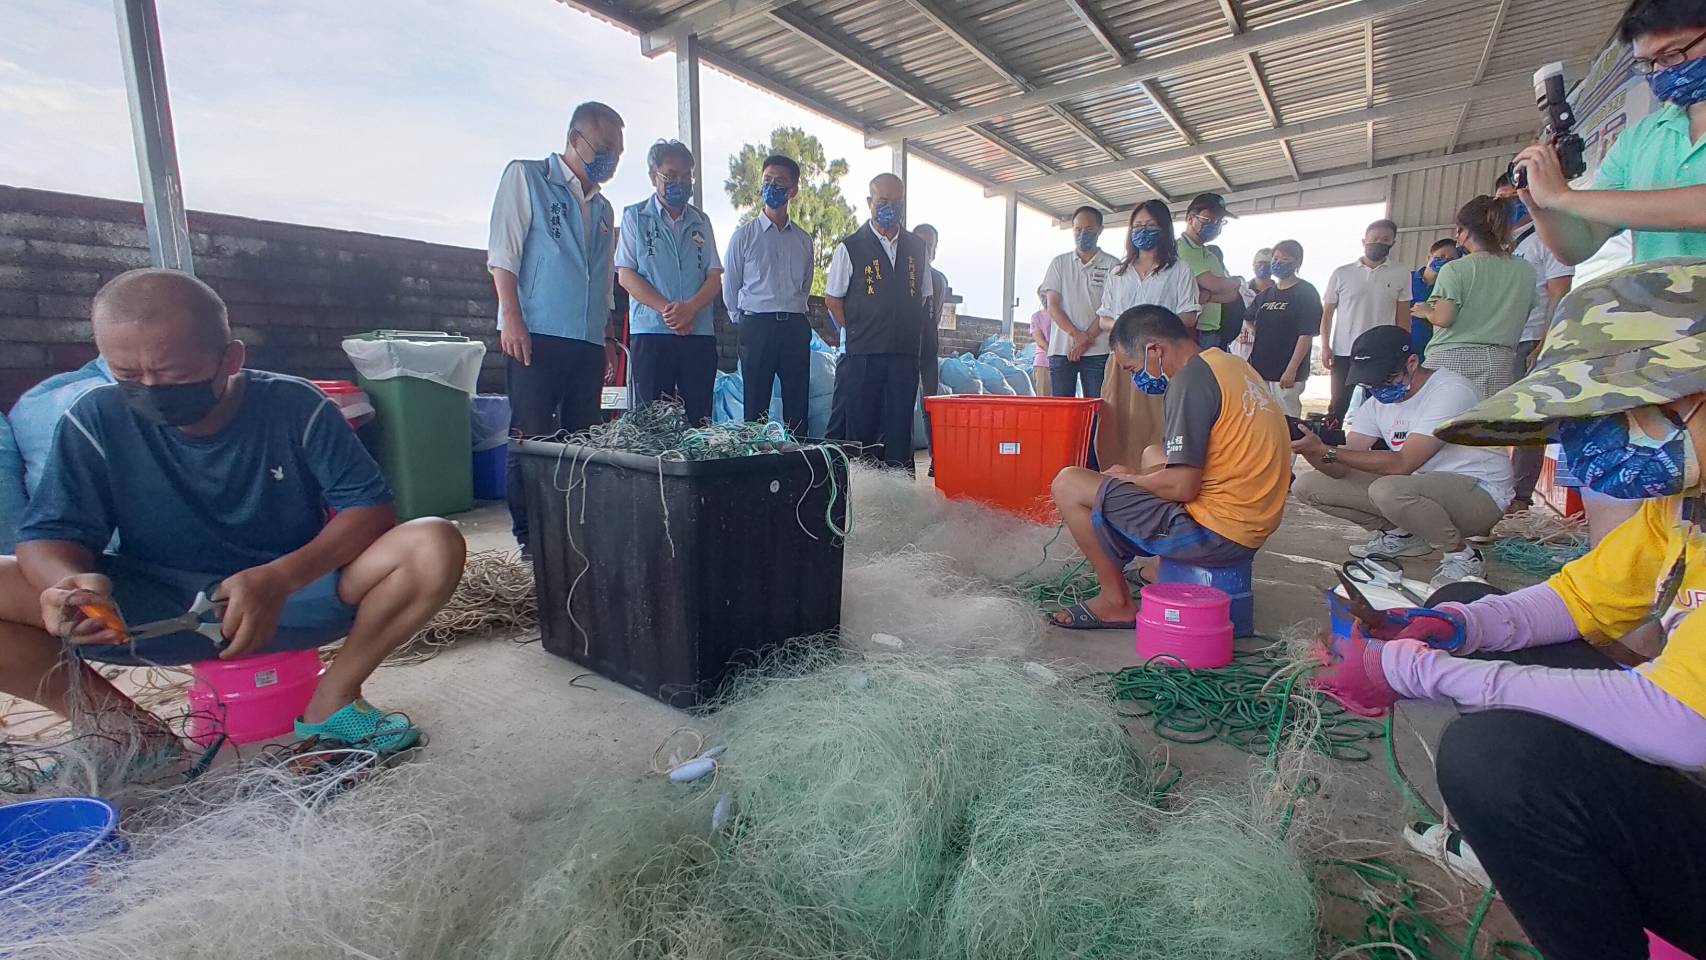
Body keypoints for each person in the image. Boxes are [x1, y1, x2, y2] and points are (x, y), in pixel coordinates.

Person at [1308, 259, 1706, 960]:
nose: (1604, 436)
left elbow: (1685, 723)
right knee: (1466, 600)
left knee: (1497, 762)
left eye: (1637, 411)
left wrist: (1435, 673)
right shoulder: (1683, 510)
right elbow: (1579, 598)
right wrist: (1456, 627)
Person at [0, 270, 465, 759]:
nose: (151, 389)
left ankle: (333, 701)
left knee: (433, 541)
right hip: (155, 607)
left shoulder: (294, 405)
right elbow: (48, 533)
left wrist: (280, 578)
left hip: (291, 596)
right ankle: (128, 736)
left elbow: (370, 508)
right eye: (128, 376)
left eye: (173, 374)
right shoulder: (95, 417)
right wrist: (68, 585)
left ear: (231, 358)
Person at [1047, 305, 1290, 629]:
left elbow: (1182, 486)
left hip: (1219, 535)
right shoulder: (1229, 364)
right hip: (1251, 522)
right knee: (1152, 454)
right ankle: (1161, 569)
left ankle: (1115, 602)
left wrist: (1124, 481)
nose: (1135, 379)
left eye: (1132, 369)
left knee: (1069, 483)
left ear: (1154, 350)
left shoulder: (1189, 381)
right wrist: (1137, 475)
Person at [487, 100, 624, 555]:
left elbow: (604, 278)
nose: (611, 160)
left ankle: (572, 532)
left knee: (582, 436)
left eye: (618, 153)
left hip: (585, 339)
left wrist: (606, 336)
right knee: (531, 435)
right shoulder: (527, 179)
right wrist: (512, 317)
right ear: (574, 139)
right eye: (604, 148)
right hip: (535, 334)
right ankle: (531, 538)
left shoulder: (604, 210)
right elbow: (504, 255)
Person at [1292, 326, 1514, 588]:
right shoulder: (1375, 404)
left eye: (1387, 379)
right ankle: (1403, 535)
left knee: (1389, 490)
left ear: (1412, 363)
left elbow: (1403, 463)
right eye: (1370, 383)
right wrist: (1312, 450)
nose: (1379, 388)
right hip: (1419, 488)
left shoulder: (1450, 391)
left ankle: (1463, 556)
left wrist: (1328, 451)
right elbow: (1342, 467)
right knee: (1307, 485)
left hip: (1480, 494)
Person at [1512, 0, 1706, 267]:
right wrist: (1542, 206)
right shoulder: (1638, 139)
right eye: (1647, 63)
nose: (1659, 71)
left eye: (1670, 55)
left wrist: (1564, 197)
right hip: (1663, 306)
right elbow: (1580, 245)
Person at [824, 173, 933, 470]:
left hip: (903, 354)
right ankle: (863, 494)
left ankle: (899, 498)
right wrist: (859, 329)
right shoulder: (851, 247)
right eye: (882, 201)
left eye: (896, 202)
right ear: (870, 202)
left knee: (900, 429)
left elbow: (922, 297)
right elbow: (833, 299)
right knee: (862, 428)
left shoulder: (917, 249)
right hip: (864, 355)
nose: (889, 207)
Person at [616, 140, 723, 425]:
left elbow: (714, 277)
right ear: (654, 177)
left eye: (686, 176)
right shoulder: (635, 217)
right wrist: (670, 311)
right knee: (652, 420)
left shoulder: (702, 222)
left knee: (700, 419)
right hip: (652, 333)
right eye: (671, 175)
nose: (680, 182)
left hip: (698, 334)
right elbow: (626, 275)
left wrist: (690, 309)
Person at [1093, 200, 1200, 471]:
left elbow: (1189, 315)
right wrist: (1127, 326)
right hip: (1122, 360)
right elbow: (1103, 316)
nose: (1143, 231)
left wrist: (1152, 328)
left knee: (1157, 422)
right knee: (1116, 421)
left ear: (1164, 229)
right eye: (1138, 226)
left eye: (1151, 226)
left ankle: (1155, 477)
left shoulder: (1179, 270)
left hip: (1159, 362)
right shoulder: (1118, 271)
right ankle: (1116, 477)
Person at [1410, 196, 1536, 400]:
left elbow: (1444, 318)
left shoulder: (1455, 269)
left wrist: (1427, 311)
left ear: (1465, 231)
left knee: (1440, 427)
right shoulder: (1525, 270)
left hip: (1453, 359)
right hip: (1501, 362)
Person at [724, 153, 813, 435]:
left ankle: (799, 465)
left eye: (780, 182)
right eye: (768, 181)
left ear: (793, 190)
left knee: (797, 404)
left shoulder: (803, 240)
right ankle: (754, 462)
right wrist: (745, 321)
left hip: (795, 327)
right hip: (756, 326)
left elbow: (806, 285)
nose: (773, 187)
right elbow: (731, 286)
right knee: (756, 404)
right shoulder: (744, 236)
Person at [1503, 177, 1575, 510]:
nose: (1505, 205)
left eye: (1513, 198)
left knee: (1526, 420)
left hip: (1531, 338)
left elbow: (1560, 294)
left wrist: (1545, 342)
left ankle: (1519, 496)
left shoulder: (1547, 238)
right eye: (1501, 199)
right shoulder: (1506, 245)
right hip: (1503, 340)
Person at [1320, 219, 1412, 428]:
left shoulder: (1401, 273)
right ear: (1364, 241)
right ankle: (1329, 445)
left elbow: (1403, 316)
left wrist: (1403, 351)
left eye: (1385, 240)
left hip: (1382, 353)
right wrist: (1325, 347)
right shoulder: (1342, 273)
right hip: (1345, 350)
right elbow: (1327, 314)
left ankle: (1373, 448)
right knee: (1338, 404)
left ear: (1393, 243)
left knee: (1380, 403)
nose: (1379, 242)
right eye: (1374, 239)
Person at [1040, 206, 1118, 399]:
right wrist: (1076, 335)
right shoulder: (1059, 263)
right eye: (1078, 229)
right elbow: (1053, 305)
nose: (1082, 234)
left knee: (1098, 408)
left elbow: (1109, 308)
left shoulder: (1113, 265)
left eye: (1089, 229)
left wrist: (1085, 340)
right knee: (1062, 411)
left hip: (1098, 349)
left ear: (1100, 230)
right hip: (1061, 349)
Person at [1245, 240, 1322, 418]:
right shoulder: (1266, 294)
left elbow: (1306, 334)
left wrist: (1292, 369)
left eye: (1285, 258)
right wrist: (1254, 333)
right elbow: (1248, 318)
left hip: (1287, 370)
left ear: (1297, 263)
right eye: (1275, 258)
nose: (1278, 262)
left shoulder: (1306, 292)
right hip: (1261, 367)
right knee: (1262, 416)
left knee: (1286, 418)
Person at [1177, 193, 1242, 349]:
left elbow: (1232, 295)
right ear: (1190, 217)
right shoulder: (1182, 248)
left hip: (1213, 330)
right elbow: (1215, 284)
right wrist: (1238, 281)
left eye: (1218, 221)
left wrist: (1210, 296)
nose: (1214, 224)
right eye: (1208, 219)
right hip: (1192, 331)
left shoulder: (1210, 256)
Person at [912, 223, 948, 405]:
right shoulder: (901, 276)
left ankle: (929, 433)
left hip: (928, 349)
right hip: (904, 351)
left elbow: (937, 315)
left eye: (929, 245)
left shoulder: (939, 280)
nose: (925, 249)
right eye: (920, 243)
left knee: (930, 404)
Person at [1407, 238, 1461, 358]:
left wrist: (1428, 313)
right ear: (1428, 257)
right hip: (1403, 347)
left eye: (1451, 260)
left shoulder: (1452, 290)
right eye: (1440, 256)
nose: (1444, 261)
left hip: (1432, 351)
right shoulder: (1406, 280)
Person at [1231, 247, 1274, 361]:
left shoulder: (1281, 293)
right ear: (1253, 265)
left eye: (1268, 263)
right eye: (1260, 263)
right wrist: (1235, 336)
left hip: (1270, 350)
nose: (1264, 266)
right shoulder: (1240, 290)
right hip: (1241, 350)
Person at [1028, 288, 1053, 395]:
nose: (1044, 299)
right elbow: (1039, 340)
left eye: (1046, 295)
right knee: (1045, 400)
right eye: (1041, 296)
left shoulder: (1063, 315)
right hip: (1043, 363)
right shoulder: (1037, 316)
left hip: (1063, 363)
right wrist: (1053, 353)